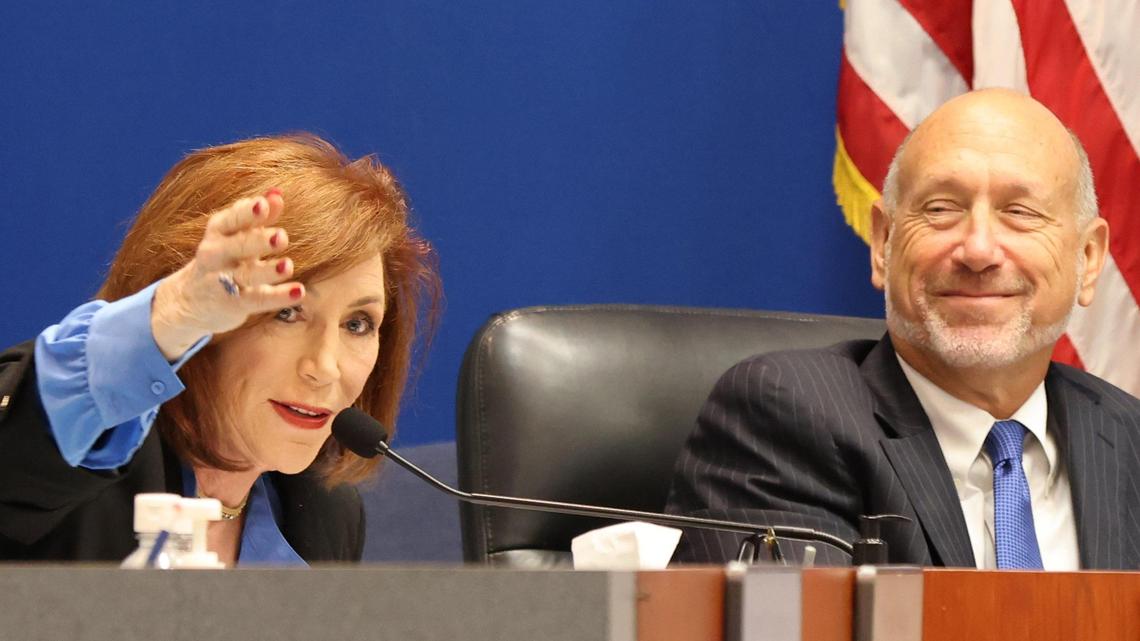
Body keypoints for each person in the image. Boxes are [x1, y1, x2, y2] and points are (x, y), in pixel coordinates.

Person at [665, 88, 1140, 570]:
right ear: (883, 244)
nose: (977, 250)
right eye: (940, 208)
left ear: (1089, 259)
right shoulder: (784, 417)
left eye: (1019, 213)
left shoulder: (1130, 439)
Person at [0, 134, 440, 566]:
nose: (324, 368)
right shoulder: (84, 455)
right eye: (285, 313)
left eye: (357, 324)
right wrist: (171, 313)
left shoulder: (326, 517)